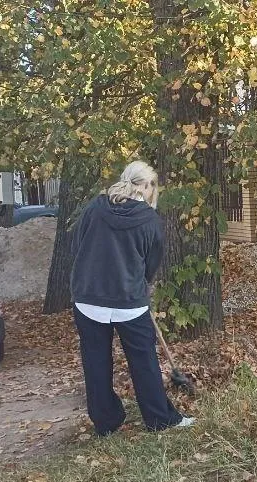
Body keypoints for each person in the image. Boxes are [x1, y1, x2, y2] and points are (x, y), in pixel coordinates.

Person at [70, 160, 192, 436]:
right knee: (143, 361)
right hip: (128, 302)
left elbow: (77, 246)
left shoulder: (95, 208)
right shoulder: (149, 220)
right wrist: (137, 286)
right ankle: (160, 419)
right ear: (147, 187)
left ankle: (106, 423)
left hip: (88, 298)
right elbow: (151, 264)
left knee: (96, 361)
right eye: (152, 185)